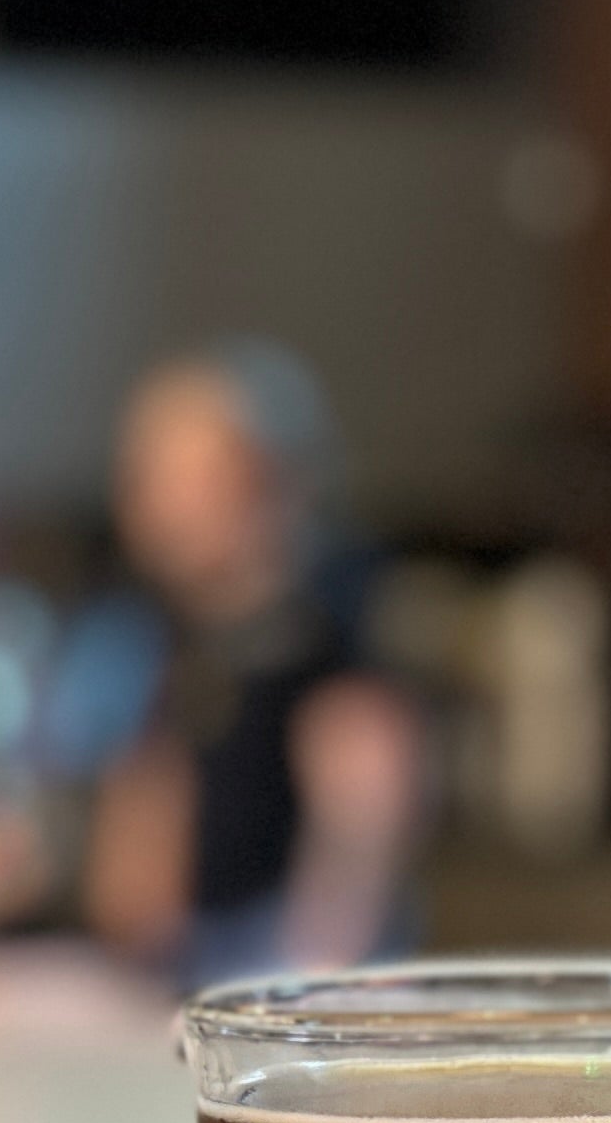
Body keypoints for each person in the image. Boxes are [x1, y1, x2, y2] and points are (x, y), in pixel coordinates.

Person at [72, 345, 427, 987]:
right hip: (181, 984)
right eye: (146, 476)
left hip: (287, 997)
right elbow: (132, 894)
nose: (159, 505)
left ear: (269, 482)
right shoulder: (159, 647)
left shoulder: (333, 653)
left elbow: (337, 933)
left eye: (190, 478)